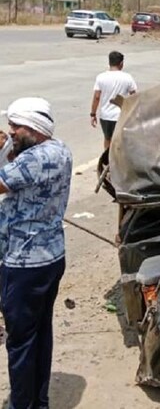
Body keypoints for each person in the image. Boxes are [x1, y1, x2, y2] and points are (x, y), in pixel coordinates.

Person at [0, 97, 72, 409]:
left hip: (24, 263)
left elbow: (3, 180)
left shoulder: (34, 160)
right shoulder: (59, 150)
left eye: (15, 126)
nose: (11, 131)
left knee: (19, 342)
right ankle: (37, 402)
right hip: (50, 257)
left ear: (33, 127)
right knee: (39, 334)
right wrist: (8, 146)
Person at [90, 51, 138, 150]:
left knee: (107, 139)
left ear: (109, 62)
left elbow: (97, 97)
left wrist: (93, 114)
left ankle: (107, 161)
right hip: (121, 116)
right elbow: (134, 96)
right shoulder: (127, 78)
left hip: (105, 116)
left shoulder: (101, 77)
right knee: (120, 140)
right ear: (121, 63)